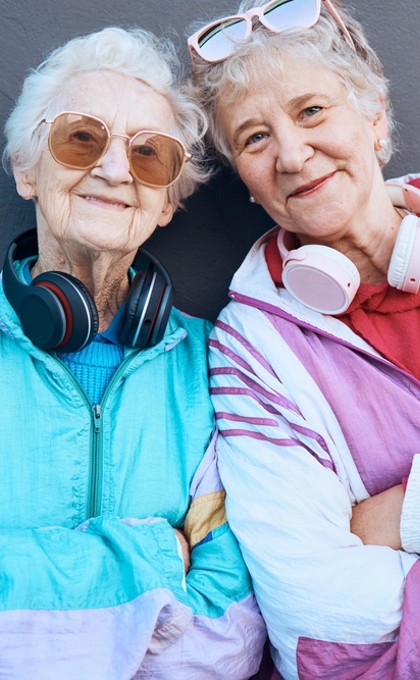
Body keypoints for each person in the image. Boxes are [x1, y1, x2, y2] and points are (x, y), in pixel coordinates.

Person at [0, 26, 266, 679]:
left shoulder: (219, 365)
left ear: (169, 204)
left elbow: (228, 639)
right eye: (80, 137)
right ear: (27, 170)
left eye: (150, 154)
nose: (116, 169)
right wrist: (151, 556)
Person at [188, 0, 420, 677]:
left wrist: (388, 518)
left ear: (375, 115)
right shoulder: (250, 348)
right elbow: (315, 618)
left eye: (312, 111)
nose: (291, 154)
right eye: (255, 138)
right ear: (249, 184)